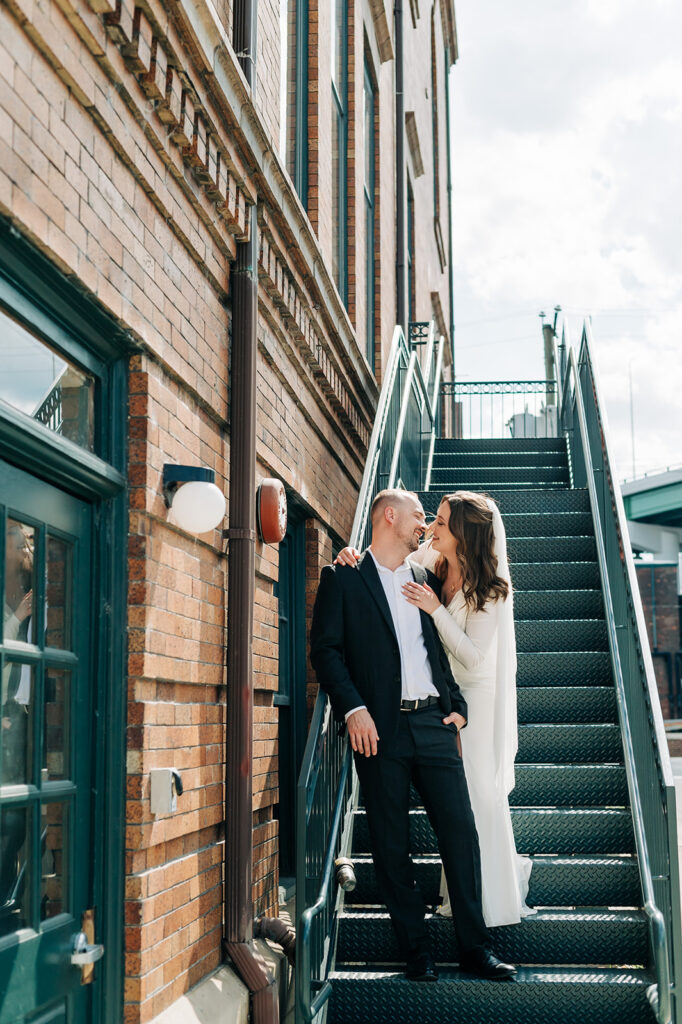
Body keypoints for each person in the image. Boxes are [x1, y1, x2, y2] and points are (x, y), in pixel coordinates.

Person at [310, 488, 516, 981]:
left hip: (434, 723)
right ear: (389, 515)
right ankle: (416, 950)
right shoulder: (344, 578)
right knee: (390, 843)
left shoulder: (426, 575)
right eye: (419, 515)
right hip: (379, 730)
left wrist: (458, 707)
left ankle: (476, 948)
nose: (425, 524)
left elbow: (438, 653)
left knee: (461, 835)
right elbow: (326, 651)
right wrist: (353, 709)